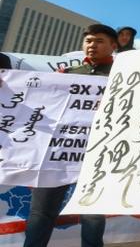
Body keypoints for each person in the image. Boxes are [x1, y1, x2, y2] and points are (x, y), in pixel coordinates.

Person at [24, 24, 118, 247]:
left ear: (113, 46)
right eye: (88, 41)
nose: (92, 45)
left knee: (93, 215)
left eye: (99, 41)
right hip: (57, 152)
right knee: (41, 213)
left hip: (97, 155)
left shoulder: (123, 78)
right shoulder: (65, 75)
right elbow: (35, 102)